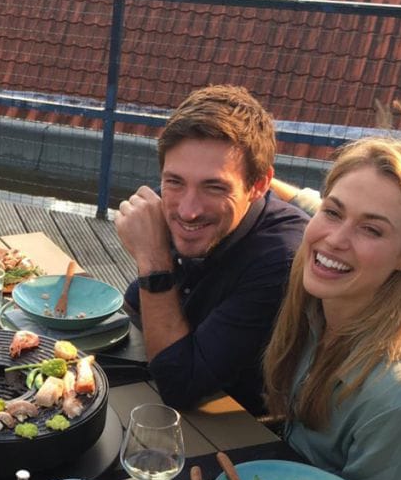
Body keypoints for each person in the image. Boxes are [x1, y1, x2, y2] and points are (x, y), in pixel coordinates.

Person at [264, 137, 401, 480]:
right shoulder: (319, 310)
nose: (336, 239)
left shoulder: (400, 396)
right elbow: (306, 202)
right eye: (333, 212)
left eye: (371, 229)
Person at [113, 85, 309, 415]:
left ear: (259, 185)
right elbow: (133, 307)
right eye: (174, 181)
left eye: (214, 187)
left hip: (240, 427)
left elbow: (180, 385)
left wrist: (153, 261)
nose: (188, 210)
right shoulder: (194, 213)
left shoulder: (282, 257)